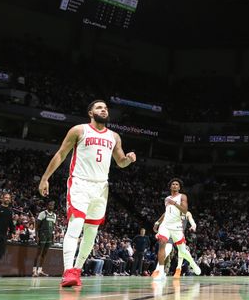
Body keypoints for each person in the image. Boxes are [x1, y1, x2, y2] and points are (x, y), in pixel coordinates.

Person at [37, 100, 137, 287]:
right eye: (99, 107)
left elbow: (120, 162)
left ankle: (77, 270)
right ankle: (67, 271)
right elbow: (61, 154)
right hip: (80, 183)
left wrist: (128, 159)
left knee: (91, 233)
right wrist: (45, 178)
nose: (104, 110)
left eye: (106, 108)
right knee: (75, 226)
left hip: (101, 188)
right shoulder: (79, 130)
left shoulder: (114, 136)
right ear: (91, 112)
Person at [151, 178, 200, 280]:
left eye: (177, 184)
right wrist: (157, 222)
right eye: (173, 184)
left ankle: (192, 263)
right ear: (170, 187)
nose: (174, 185)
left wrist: (174, 203)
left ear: (179, 187)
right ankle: (160, 272)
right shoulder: (167, 198)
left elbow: (185, 210)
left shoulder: (182, 196)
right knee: (162, 245)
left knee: (182, 252)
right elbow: (166, 212)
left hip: (177, 227)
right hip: (165, 225)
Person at [33, 200, 58, 277]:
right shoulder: (42, 213)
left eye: (52, 205)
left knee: (44, 254)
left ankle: (40, 270)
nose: (51, 206)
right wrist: (36, 235)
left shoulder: (54, 215)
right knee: (38, 253)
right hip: (42, 234)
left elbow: (53, 227)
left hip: (49, 235)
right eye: (50, 205)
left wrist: (53, 236)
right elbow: (37, 225)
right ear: (47, 205)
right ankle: (34, 271)